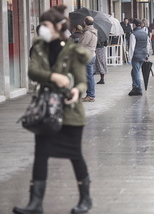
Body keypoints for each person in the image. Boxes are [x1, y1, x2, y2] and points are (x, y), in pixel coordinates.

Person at [13, 5, 93, 214]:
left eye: (46, 25)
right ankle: (35, 203)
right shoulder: (40, 47)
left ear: (58, 26)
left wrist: (77, 90)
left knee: (75, 154)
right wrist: (53, 77)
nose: (42, 29)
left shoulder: (73, 50)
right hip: (46, 110)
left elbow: (82, 81)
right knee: (41, 154)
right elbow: (33, 71)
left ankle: (85, 199)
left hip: (70, 110)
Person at [128, 18, 150, 96]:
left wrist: (129, 58)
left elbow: (132, 47)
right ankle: (135, 86)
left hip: (136, 56)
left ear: (134, 25)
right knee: (133, 71)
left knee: (136, 71)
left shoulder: (133, 34)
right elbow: (148, 45)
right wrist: (147, 54)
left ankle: (139, 88)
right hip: (143, 55)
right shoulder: (145, 33)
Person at [78, 16, 98, 102]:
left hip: (87, 56)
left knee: (89, 76)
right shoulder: (93, 32)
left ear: (85, 23)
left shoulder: (87, 33)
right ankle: (90, 94)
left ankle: (90, 95)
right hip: (92, 54)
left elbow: (81, 45)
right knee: (90, 76)